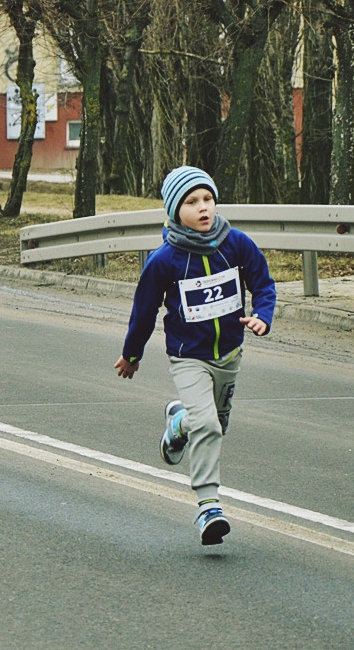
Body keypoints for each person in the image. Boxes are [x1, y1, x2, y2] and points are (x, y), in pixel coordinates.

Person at [113, 165, 276, 546]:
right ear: (174, 210)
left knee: (215, 423)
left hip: (230, 353)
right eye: (191, 202)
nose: (203, 208)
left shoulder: (237, 243)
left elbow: (264, 285)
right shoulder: (164, 260)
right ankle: (208, 505)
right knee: (210, 426)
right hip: (188, 357)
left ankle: (179, 423)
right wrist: (131, 354)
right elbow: (144, 311)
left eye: (208, 199)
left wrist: (263, 317)